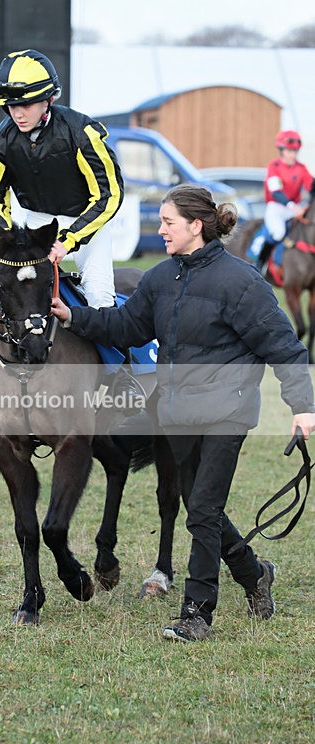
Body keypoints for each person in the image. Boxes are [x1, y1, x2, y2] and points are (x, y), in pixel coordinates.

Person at [50, 184, 315, 643]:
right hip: (178, 410)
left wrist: (304, 407)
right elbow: (126, 326)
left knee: (203, 509)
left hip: (226, 411)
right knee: (199, 505)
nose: (161, 229)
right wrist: (74, 319)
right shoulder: (160, 278)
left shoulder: (242, 281)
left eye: (168, 222)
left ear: (196, 226)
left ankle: (197, 612)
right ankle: (255, 575)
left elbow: (285, 346)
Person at [0, 49, 138, 413]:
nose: (18, 113)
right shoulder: (2, 141)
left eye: (26, 104)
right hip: (32, 228)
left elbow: (110, 195)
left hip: (84, 225)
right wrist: (6, 241)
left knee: (99, 298)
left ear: (50, 99)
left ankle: (121, 376)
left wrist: (70, 239)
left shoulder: (82, 133)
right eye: (11, 106)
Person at [256, 130, 314, 270]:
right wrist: (292, 206)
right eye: (289, 151)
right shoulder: (273, 167)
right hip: (276, 208)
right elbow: (276, 193)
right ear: (281, 150)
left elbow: (311, 186)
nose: (292, 155)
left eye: (295, 151)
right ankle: (260, 264)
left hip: (295, 208)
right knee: (279, 233)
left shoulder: (301, 168)